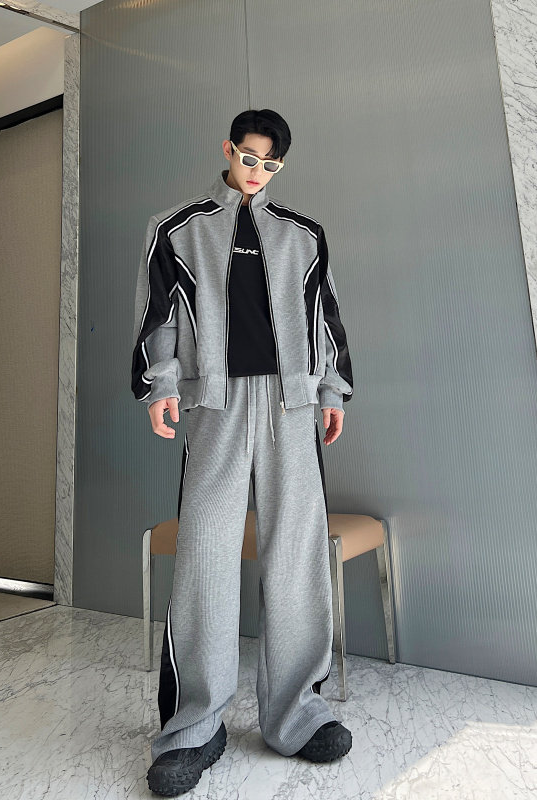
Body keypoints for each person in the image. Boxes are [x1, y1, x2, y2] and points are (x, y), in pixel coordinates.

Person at [131, 108, 355, 797]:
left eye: (270, 164)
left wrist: (331, 391)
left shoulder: (304, 235)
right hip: (215, 406)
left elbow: (326, 317)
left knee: (295, 552)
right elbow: (157, 313)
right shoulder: (178, 227)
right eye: (249, 157)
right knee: (204, 554)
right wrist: (160, 385)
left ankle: (297, 714)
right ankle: (195, 727)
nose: (257, 172)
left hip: (292, 408)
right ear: (228, 149)